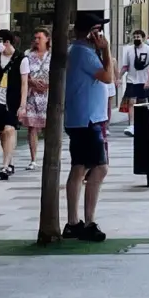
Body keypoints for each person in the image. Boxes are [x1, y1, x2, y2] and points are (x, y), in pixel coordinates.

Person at [64, 15, 114, 242]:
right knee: (97, 168)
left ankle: (75, 222)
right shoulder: (83, 52)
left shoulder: (80, 51)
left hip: (86, 118)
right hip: (86, 120)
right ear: (90, 33)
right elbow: (107, 77)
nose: (101, 36)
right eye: (98, 31)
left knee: (80, 167)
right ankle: (84, 221)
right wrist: (107, 50)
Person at [0, 30, 24, 180]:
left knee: (10, 130)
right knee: (3, 132)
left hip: (13, 100)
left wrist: (23, 105)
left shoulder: (21, 59)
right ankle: (9, 160)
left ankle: (5, 165)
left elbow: (24, 83)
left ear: (7, 42)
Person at [19, 29, 54, 168]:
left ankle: (49, 156)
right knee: (32, 127)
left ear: (47, 39)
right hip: (32, 95)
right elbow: (23, 74)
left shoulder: (52, 55)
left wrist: (48, 84)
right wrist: (32, 81)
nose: (37, 40)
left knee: (48, 127)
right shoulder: (28, 55)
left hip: (47, 95)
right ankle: (33, 159)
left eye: (39, 38)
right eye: (35, 38)